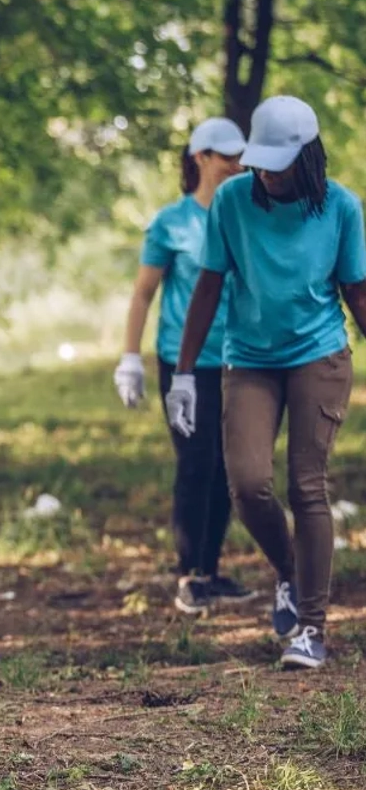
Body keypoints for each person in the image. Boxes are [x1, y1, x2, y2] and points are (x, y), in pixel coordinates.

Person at [168, 95, 366, 670]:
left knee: (308, 488)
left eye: (278, 162)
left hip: (319, 356)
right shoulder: (232, 200)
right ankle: (289, 571)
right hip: (250, 358)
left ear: (307, 158)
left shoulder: (341, 208)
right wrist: (183, 373)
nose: (266, 172)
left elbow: (356, 294)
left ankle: (311, 626)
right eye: (261, 160)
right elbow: (208, 285)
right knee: (248, 484)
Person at [115, 118, 258, 615]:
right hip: (185, 362)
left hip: (240, 359)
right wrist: (130, 357)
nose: (237, 163)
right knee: (196, 463)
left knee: (229, 468)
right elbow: (142, 294)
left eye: (241, 154)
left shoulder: (244, 214)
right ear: (200, 157)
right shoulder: (171, 223)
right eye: (226, 155)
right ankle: (187, 575)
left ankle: (211, 571)